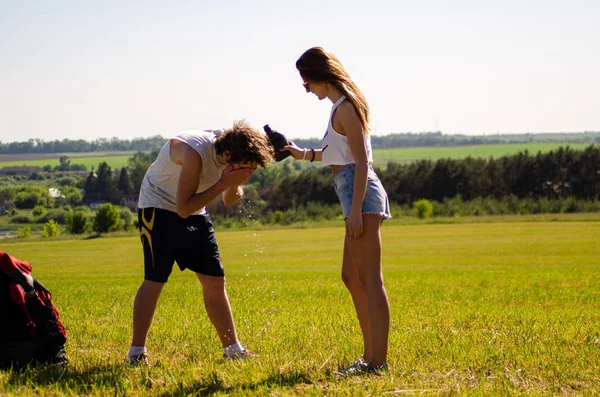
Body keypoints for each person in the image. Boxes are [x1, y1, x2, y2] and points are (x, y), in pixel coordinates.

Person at [126, 120, 274, 366]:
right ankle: (136, 353)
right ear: (227, 155)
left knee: (215, 280)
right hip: (158, 206)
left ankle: (233, 350)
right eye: (244, 168)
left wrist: (234, 182)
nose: (247, 172)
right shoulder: (195, 152)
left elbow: (228, 199)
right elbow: (183, 207)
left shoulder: (233, 153)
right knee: (156, 279)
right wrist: (223, 183)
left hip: (194, 211)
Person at [283, 47, 391, 375]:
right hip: (350, 194)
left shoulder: (346, 108)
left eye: (306, 82)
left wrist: (356, 210)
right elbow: (336, 154)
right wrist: (301, 154)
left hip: (361, 196)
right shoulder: (338, 110)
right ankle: (369, 355)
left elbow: (361, 162)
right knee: (351, 276)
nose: (306, 89)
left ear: (320, 76)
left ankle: (377, 361)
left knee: (371, 279)